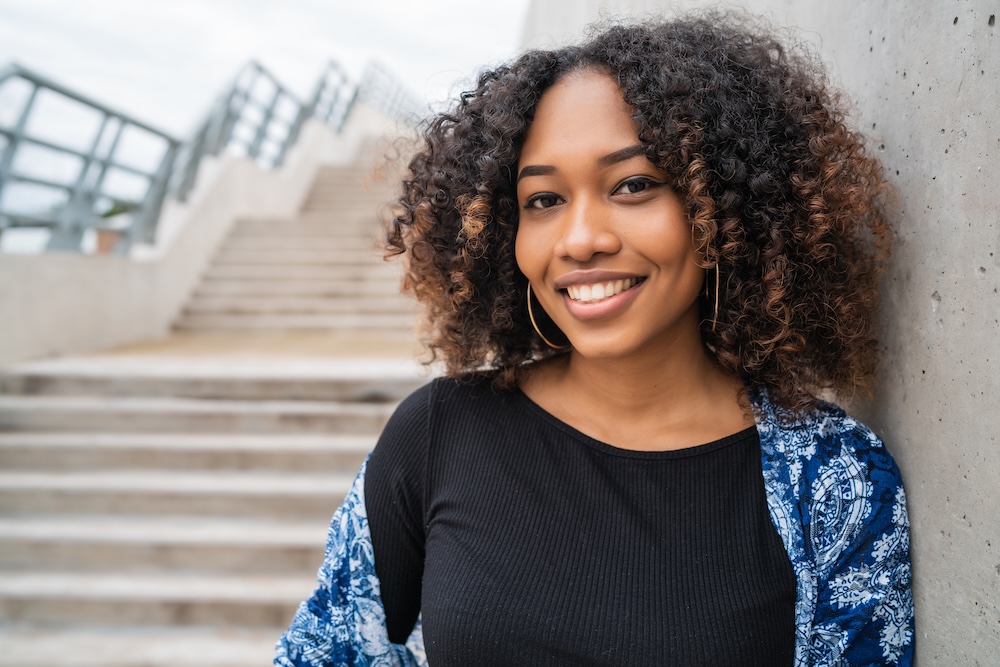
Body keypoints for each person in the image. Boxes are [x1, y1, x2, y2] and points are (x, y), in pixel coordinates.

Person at [276, 13, 914, 667]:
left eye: (633, 185)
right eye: (544, 199)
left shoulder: (833, 479)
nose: (580, 239)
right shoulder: (438, 434)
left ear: (722, 209)